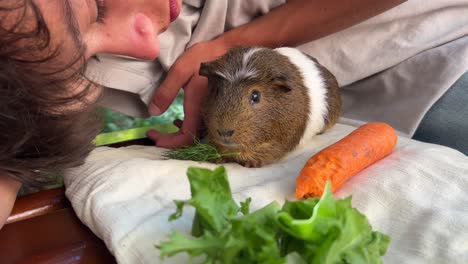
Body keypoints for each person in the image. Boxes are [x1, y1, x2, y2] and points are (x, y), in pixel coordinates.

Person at [2, 0, 466, 232]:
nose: (142, 46)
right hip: (345, 124)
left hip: (425, 49)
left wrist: (232, 45)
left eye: (97, 6)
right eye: (80, 64)